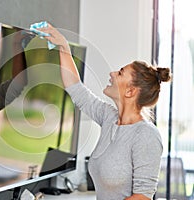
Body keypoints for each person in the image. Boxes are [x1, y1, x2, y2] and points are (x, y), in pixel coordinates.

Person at [37, 23, 171, 200]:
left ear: (130, 91)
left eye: (121, 73)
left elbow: (143, 197)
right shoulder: (109, 118)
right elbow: (77, 90)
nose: (112, 74)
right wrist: (63, 46)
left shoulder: (146, 135)